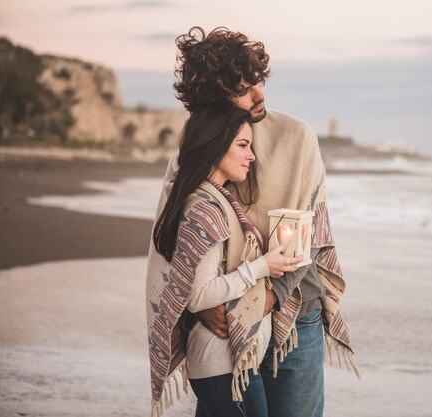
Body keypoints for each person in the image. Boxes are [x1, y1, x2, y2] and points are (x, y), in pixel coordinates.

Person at [151, 26, 358, 417]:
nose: (260, 94)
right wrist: (198, 308)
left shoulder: (297, 137)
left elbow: (306, 238)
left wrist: (262, 302)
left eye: (258, 81)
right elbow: (178, 237)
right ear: (214, 102)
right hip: (219, 321)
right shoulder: (195, 148)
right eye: (244, 89)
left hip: (295, 315)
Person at [145, 106, 302, 417]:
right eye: (242, 145)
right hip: (222, 363)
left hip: (229, 362)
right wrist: (262, 267)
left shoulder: (217, 200)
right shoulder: (206, 209)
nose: (252, 156)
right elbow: (198, 297)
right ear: (215, 147)